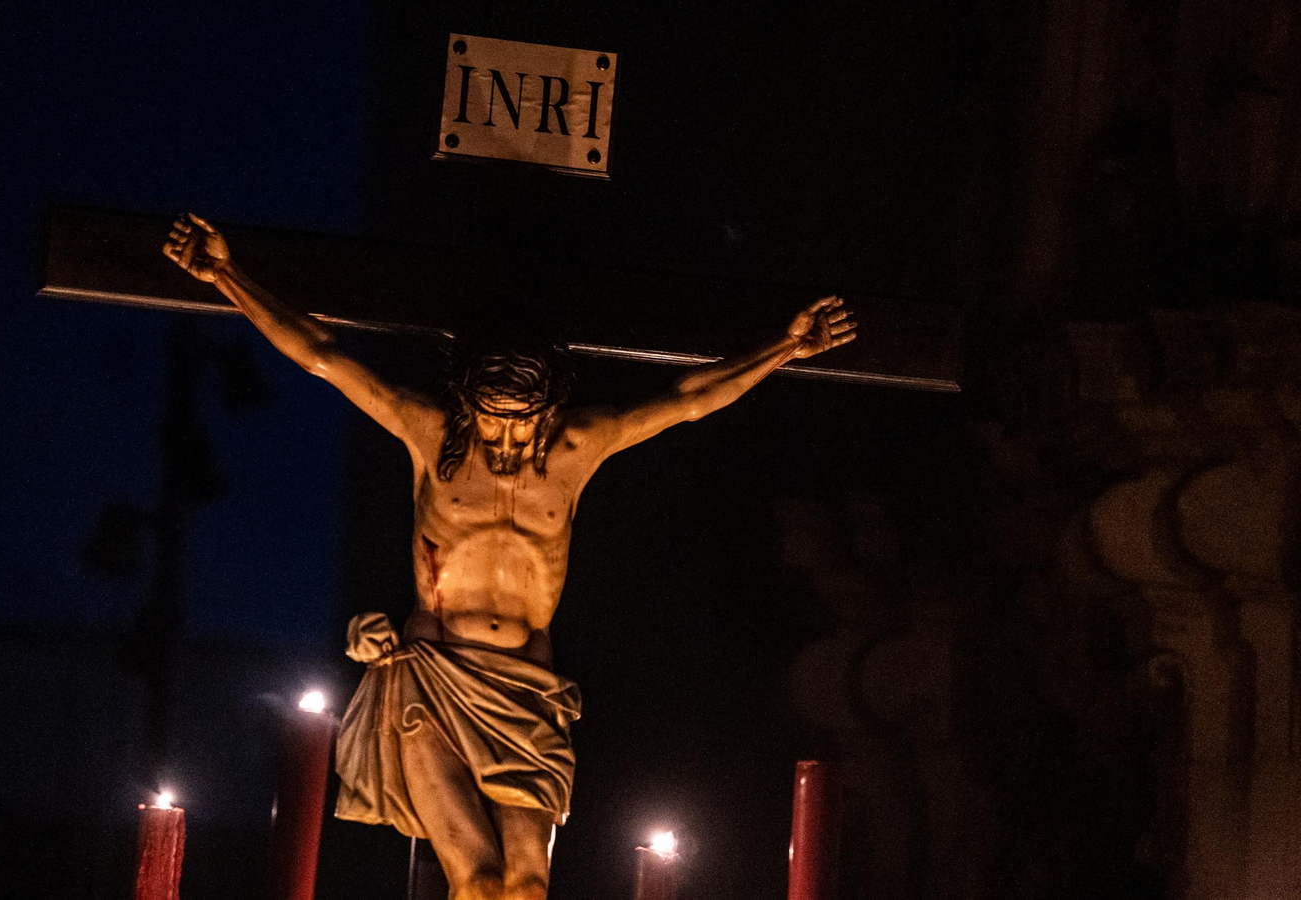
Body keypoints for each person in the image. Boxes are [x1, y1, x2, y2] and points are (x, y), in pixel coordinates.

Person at [164, 213, 855, 900]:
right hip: (433, 681)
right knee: (479, 878)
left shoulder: (578, 451)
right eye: (490, 415)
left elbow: (689, 399)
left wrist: (786, 348)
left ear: (548, 407)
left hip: (527, 692)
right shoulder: (431, 439)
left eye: (518, 418)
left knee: (527, 885)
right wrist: (227, 274)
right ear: (466, 403)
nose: (502, 435)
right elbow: (322, 355)